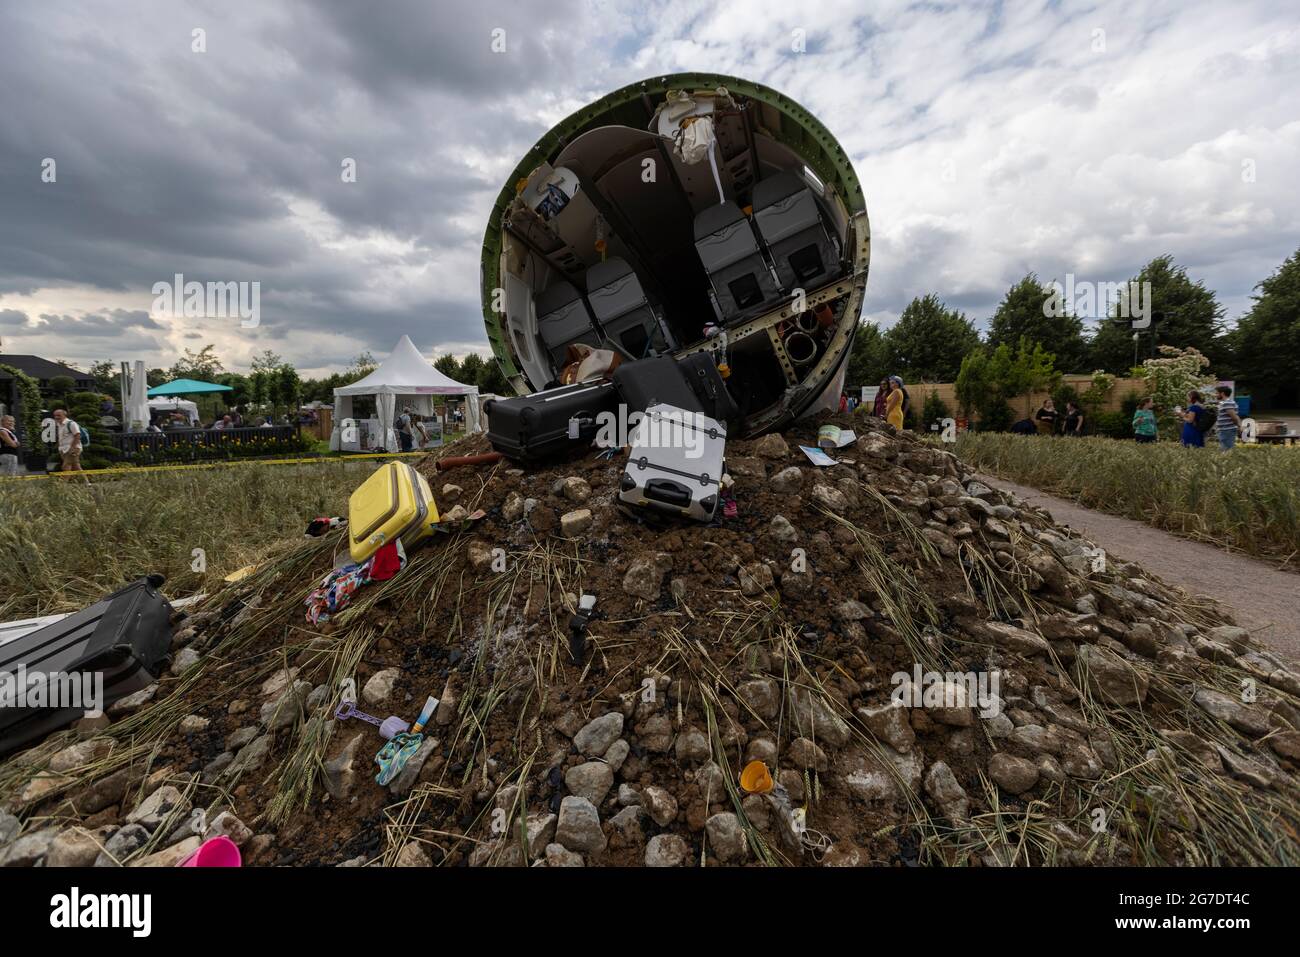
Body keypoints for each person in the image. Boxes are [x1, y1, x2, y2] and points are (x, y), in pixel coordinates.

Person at [1213, 385, 1241, 451]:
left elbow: (1233, 417)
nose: (1215, 395)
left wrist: (1238, 426)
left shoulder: (1227, 403)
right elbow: (1236, 415)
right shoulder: (1226, 402)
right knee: (1224, 449)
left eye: (1217, 393)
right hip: (1225, 430)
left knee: (1226, 450)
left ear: (1222, 393)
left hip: (1227, 430)